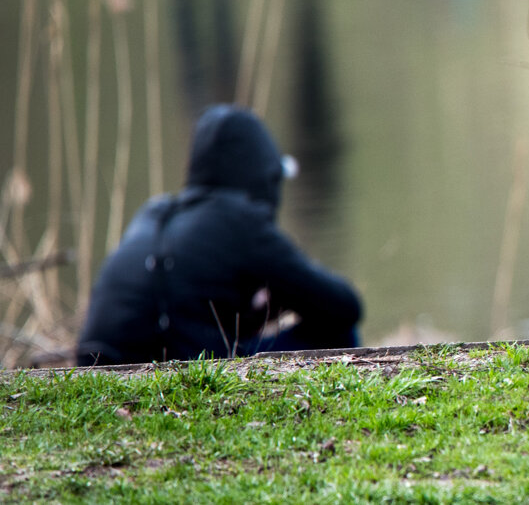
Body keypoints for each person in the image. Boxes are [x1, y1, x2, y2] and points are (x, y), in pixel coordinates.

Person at [76, 105, 362, 366]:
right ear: (264, 178)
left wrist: (254, 315)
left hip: (95, 365)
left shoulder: (153, 214)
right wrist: (288, 294)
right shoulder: (237, 219)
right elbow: (344, 306)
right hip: (176, 366)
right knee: (339, 333)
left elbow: (179, 313)